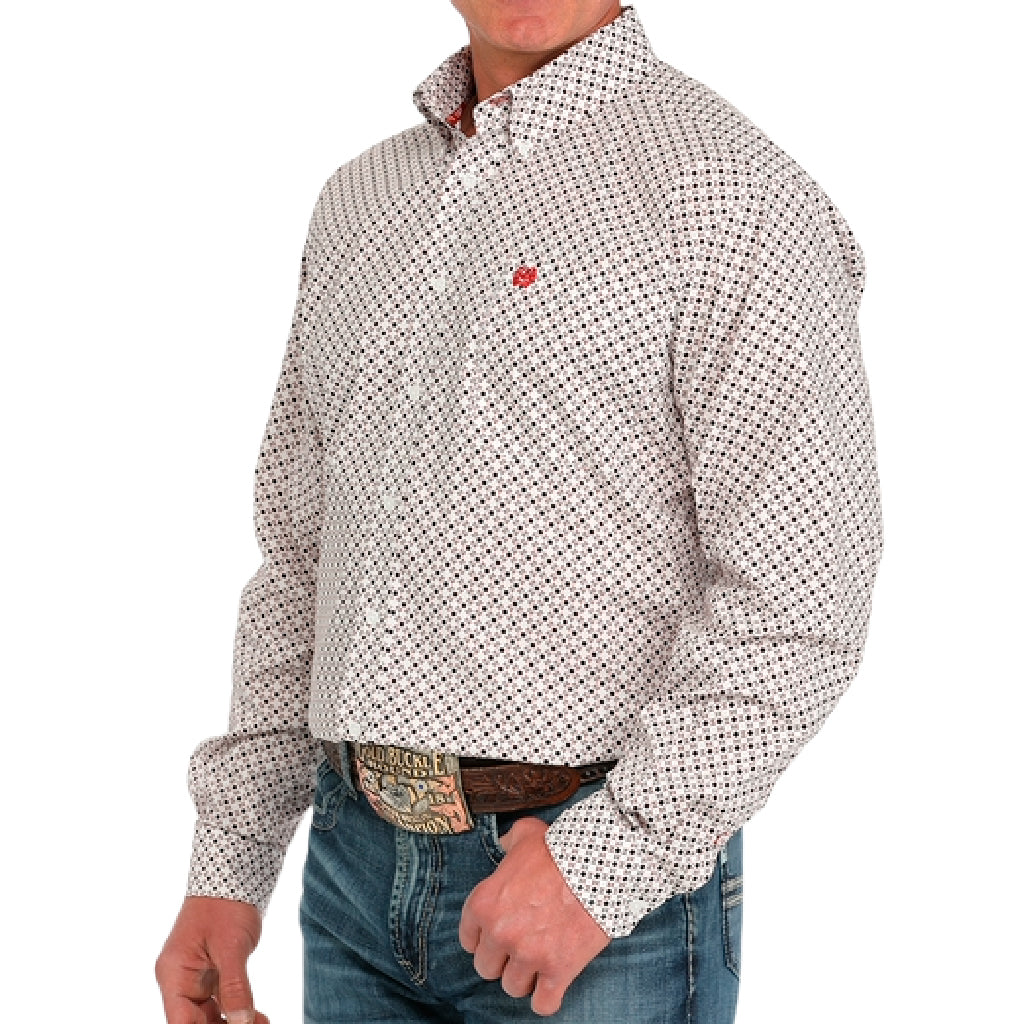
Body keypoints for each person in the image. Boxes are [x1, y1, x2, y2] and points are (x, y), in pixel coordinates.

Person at [155, 2, 883, 1022]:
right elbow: (303, 559)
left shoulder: (733, 193)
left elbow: (802, 592)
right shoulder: (362, 198)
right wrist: (230, 863)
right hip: (351, 869)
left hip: (594, 902)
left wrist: (606, 863)